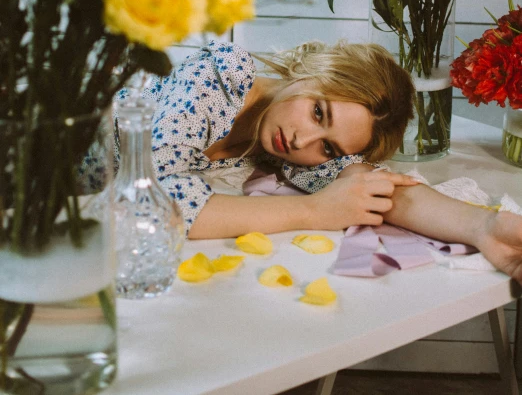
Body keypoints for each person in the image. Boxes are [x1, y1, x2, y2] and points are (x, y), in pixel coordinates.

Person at [145, 39, 522, 283]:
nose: (302, 140)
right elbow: (160, 204)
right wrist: (314, 211)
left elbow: (370, 187)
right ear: (311, 72)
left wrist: (483, 227)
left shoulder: (284, 150)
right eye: (318, 112)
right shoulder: (223, 73)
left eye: (328, 149)